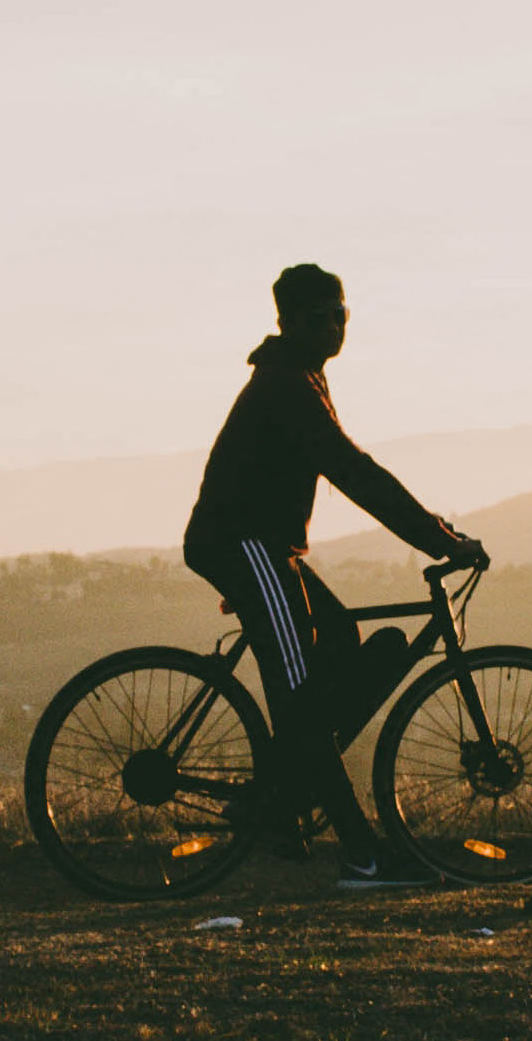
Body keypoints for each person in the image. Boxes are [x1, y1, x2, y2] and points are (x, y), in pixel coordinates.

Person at [181, 262, 487, 889]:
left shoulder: (301, 377)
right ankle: (361, 855)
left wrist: (435, 534)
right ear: (289, 322)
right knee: (301, 704)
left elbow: (351, 470)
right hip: (246, 547)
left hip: (269, 550)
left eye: (341, 312)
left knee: (343, 639)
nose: (335, 325)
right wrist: (437, 538)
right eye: (321, 315)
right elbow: (355, 472)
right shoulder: (288, 386)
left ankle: (281, 794)